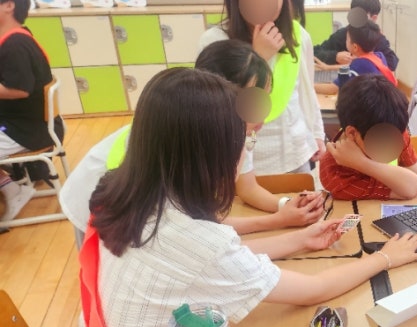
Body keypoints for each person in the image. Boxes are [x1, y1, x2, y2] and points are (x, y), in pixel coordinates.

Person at [67, 67, 417, 327]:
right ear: (212, 156)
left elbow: (211, 260)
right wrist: (385, 257)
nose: (244, 153)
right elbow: (314, 289)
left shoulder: (132, 195)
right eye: (242, 142)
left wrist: (299, 239)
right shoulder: (196, 240)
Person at [59, 40, 325, 247]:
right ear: (212, 98)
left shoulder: (231, 130)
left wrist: (284, 209)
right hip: (98, 201)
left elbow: (241, 192)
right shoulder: (183, 140)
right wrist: (280, 224)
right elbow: (200, 225)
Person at [199, 0, 325, 177]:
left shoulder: (298, 35)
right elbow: (213, 109)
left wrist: (317, 133)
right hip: (246, 161)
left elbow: (306, 90)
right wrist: (257, 57)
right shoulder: (214, 39)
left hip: (295, 152)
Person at [320, 74, 417, 200]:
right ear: (352, 133)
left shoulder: (390, 128)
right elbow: (414, 186)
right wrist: (362, 163)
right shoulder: (335, 174)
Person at [0, 0, 62, 221]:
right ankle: (12, 190)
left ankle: (11, 191)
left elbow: (20, 89)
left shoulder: (15, 44)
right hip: (25, 124)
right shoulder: (16, 37)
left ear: (9, 6)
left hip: (26, 131)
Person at [314, 12, 395, 95]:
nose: (346, 40)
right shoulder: (379, 56)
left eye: (347, 39)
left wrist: (311, 86)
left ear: (355, 47)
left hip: (369, 102)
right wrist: (328, 67)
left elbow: (333, 88)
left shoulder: (358, 65)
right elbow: (350, 66)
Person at [313, 0, 398, 71]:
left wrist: (361, 60)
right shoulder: (343, 34)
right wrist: (335, 56)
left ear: (373, 18)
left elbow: (392, 62)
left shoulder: (377, 38)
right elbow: (315, 52)